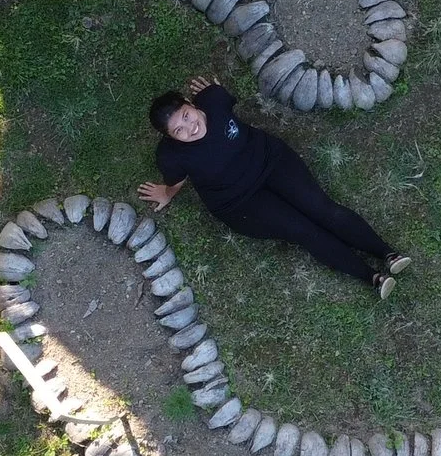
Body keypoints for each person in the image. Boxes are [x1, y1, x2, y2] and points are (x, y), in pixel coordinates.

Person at [137, 76, 411, 296]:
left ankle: (387, 253)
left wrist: (211, 92)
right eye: (178, 131)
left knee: (324, 209)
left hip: (272, 161)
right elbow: (177, 179)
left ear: (190, 103)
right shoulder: (171, 155)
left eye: (186, 116)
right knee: (304, 231)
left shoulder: (214, 100)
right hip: (239, 201)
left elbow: (221, 97)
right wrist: (167, 192)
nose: (190, 128)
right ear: (169, 137)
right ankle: (372, 278)